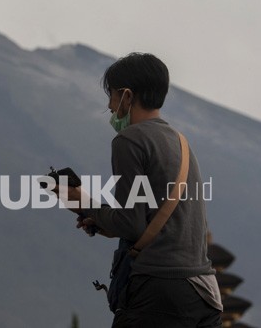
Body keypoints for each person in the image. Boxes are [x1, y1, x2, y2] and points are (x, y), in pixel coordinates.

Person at [60, 53, 222, 327]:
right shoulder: (180, 142)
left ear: (127, 96)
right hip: (203, 293)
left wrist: (84, 202)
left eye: (111, 95)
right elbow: (156, 222)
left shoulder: (130, 140)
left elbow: (130, 223)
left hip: (159, 292)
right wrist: (102, 222)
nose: (110, 107)